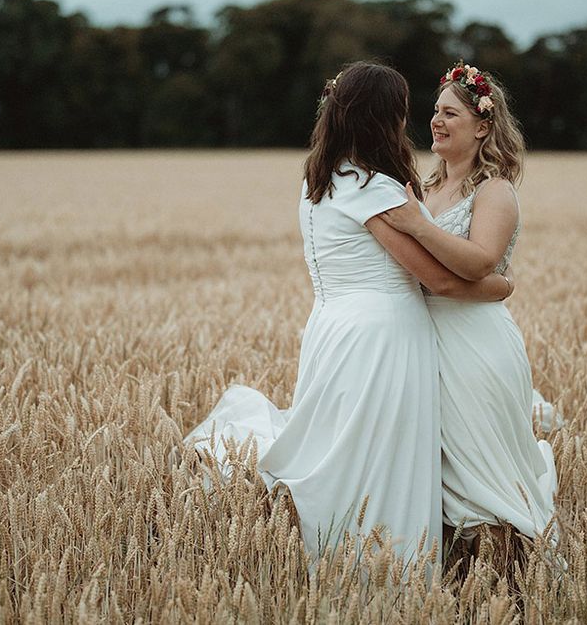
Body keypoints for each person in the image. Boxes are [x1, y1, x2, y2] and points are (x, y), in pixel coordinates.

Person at [181, 61, 512, 566]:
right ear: (382, 118)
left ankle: (330, 545)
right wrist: (501, 286)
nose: (411, 123)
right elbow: (439, 279)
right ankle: (377, 562)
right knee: (379, 457)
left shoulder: (318, 179)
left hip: (330, 325)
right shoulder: (373, 188)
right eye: (403, 112)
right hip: (382, 336)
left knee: (343, 444)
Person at [380, 61, 560, 565]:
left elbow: (481, 260)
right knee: (437, 467)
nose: (436, 120)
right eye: (435, 111)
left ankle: (510, 572)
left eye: (451, 113)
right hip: (424, 342)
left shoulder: (494, 190)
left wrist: (418, 225)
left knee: (484, 470)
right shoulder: (425, 188)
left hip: (476, 347)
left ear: (483, 126)